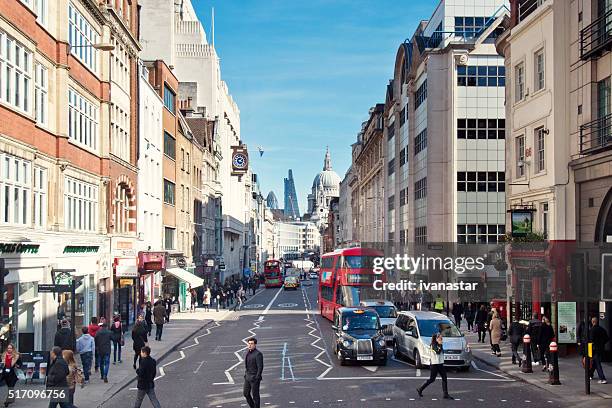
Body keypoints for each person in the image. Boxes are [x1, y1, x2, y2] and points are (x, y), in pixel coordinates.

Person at [416, 333, 454, 400]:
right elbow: (438, 352)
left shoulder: (439, 344)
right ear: (436, 339)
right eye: (440, 338)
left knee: (444, 378)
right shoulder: (433, 345)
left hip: (440, 364)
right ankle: (420, 389)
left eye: (442, 338)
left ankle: (445, 394)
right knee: (432, 379)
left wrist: (440, 344)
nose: (441, 339)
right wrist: (440, 344)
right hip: (435, 364)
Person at [243, 337, 263, 408]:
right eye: (249, 343)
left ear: (255, 345)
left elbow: (260, 367)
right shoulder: (248, 353)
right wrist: (245, 375)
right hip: (247, 377)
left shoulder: (258, 354)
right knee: (246, 393)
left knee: (255, 396)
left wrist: (257, 378)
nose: (250, 345)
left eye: (251, 344)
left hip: (254, 378)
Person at [590, 316, 609, 384]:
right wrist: (602, 343)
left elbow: (591, 340)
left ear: (593, 322)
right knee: (595, 363)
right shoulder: (602, 329)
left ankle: (602, 378)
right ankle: (590, 375)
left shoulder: (592, 330)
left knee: (597, 364)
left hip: (594, 349)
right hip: (601, 349)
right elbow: (607, 338)